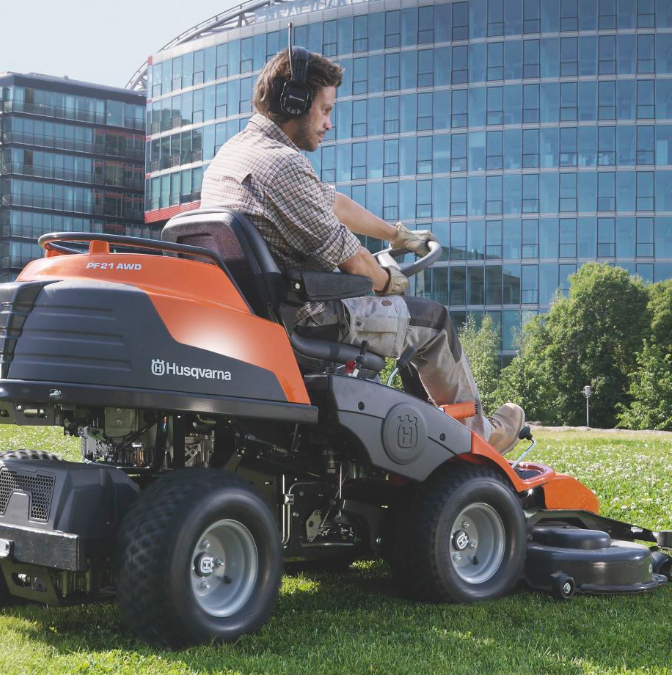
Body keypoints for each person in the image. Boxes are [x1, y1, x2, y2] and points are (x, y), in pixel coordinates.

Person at [194, 46, 525, 452]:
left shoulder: (234, 155)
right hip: (307, 317)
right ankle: (481, 437)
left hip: (255, 315)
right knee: (433, 322)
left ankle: (440, 433)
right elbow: (356, 263)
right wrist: (389, 281)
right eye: (325, 109)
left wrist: (396, 235)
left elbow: (331, 202)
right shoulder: (282, 163)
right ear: (294, 102)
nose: (329, 123)